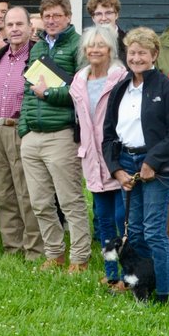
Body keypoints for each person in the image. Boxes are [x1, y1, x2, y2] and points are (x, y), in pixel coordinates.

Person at [103, 27, 169, 304]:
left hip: (158, 167)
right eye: (132, 52)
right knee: (136, 232)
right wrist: (116, 168)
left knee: (153, 231)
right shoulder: (120, 89)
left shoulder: (168, 87)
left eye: (143, 52)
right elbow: (107, 134)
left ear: (154, 55)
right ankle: (143, 286)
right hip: (127, 162)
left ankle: (165, 293)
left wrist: (153, 161)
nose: (137, 58)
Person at [19, 0, 89, 272]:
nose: (51, 20)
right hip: (32, 135)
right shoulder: (36, 48)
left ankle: (80, 257)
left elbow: (82, 91)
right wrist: (24, 128)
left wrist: (48, 93)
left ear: (68, 17)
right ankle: (54, 253)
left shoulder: (78, 45)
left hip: (61, 133)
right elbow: (27, 91)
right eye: (46, 16)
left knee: (70, 201)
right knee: (40, 202)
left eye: (56, 15)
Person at [0, 6, 41, 259]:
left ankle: (34, 250)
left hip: (21, 130)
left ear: (30, 27)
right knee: (3, 193)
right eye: (9, 25)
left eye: (19, 24)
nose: (14, 29)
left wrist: (29, 127)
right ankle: (12, 247)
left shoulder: (37, 55)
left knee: (27, 193)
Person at [68, 25, 128, 286]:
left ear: (110, 49)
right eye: (90, 45)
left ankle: (130, 273)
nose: (95, 49)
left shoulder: (122, 78)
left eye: (100, 45)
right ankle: (112, 272)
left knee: (122, 219)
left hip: (118, 158)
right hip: (92, 159)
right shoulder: (79, 80)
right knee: (103, 220)